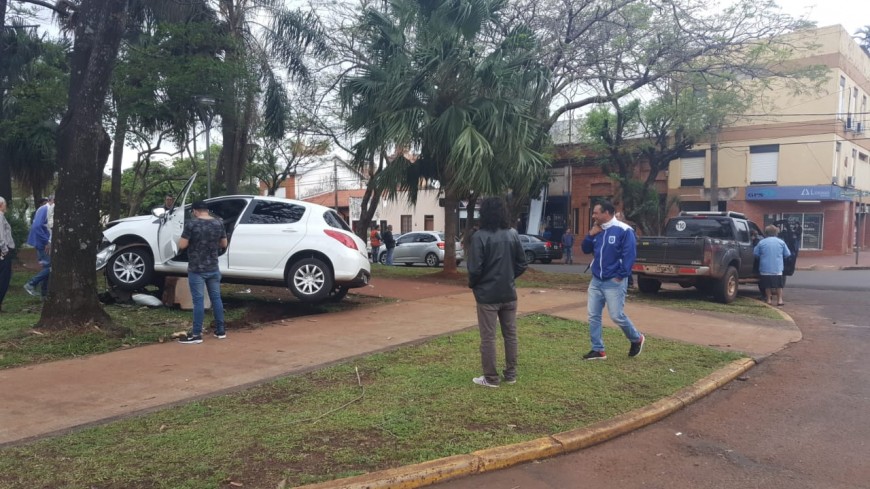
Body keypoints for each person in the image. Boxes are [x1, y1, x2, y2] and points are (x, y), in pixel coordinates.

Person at [467, 196, 528, 387]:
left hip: (487, 296)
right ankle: (511, 375)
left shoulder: (479, 237)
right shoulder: (513, 234)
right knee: (510, 335)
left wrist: (475, 285)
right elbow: (522, 264)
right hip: (508, 293)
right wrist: (508, 277)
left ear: (484, 213)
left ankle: (491, 378)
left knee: (488, 337)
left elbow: (474, 269)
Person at [581, 200, 644, 360]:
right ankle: (598, 349)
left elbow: (629, 255)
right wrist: (590, 234)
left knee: (616, 316)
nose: (593, 216)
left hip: (614, 281)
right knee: (593, 315)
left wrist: (621, 275)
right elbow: (585, 249)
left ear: (607, 213)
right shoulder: (598, 230)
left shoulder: (624, 230)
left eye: (596, 213)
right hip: (596, 280)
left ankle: (636, 338)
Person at [177, 201, 227, 344]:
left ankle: (196, 334)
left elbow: (182, 245)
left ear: (195, 211)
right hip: (213, 267)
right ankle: (221, 331)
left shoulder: (192, 224)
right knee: (216, 298)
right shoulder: (218, 223)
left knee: (198, 301)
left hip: (197, 269)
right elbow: (224, 244)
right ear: (206, 210)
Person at [754, 224, 791, 307]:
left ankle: (768, 300)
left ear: (766, 233)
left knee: (767, 285)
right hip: (777, 268)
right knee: (779, 285)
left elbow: (756, 253)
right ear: (776, 232)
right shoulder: (781, 242)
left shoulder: (761, 242)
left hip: (765, 268)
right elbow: (787, 254)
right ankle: (780, 300)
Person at [24, 196, 54, 298]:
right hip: (43, 243)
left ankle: (44, 294)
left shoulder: (47, 209)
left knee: (47, 267)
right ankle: (31, 283)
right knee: (50, 267)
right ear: (52, 201)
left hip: (44, 242)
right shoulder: (45, 209)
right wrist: (47, 241)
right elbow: (36, 226)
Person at [0, 197, 16, 312]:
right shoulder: (0, 216)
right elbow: (0, 235)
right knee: (3, 278)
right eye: (5, 204)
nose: (6, 206)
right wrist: (4, 249)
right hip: (2, 252)